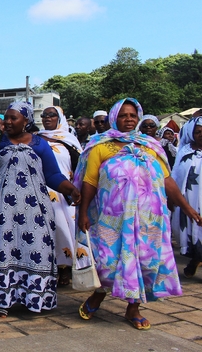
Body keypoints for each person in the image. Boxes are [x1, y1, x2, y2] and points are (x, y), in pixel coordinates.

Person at [75, 98, 200, 330]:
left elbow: (167, 180)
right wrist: (83, 212)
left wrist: (188, 208)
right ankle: (98, 296)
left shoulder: (150, 146)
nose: (129, 119)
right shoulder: (100, 145)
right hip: (112, 218)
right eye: (124, 115)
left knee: (144, 260)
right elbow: (90, 181)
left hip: (148, 218)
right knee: (108, 259)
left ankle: (133, 308)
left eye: (133, 115)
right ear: (114, 117)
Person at [0, 101, 80, 319]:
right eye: (7, 118)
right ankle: (1, 301)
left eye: (14, 118)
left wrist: (70, 189)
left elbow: (52, 175)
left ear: (26, 121)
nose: (8, 122)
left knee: (36, 251)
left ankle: (35, 299)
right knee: (2, 250)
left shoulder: (40, 144)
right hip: (0, 211)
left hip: (35, 212)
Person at [38, 106, 83, 286]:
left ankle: (66, 268)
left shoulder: (69, 140)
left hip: (64, 191)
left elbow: (79, 165)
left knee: (65, 229)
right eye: (44, 115)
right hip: (41, 189)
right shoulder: (35, 139)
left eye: (51, 115)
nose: (47, 118)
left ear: (60, 118)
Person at [171, 117, 202, 279]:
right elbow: (176, 176)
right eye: (198, 132)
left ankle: (197, 259)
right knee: (193, 234)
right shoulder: (185, 152)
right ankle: (196, 258)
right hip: (188, 203)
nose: (201, 135)